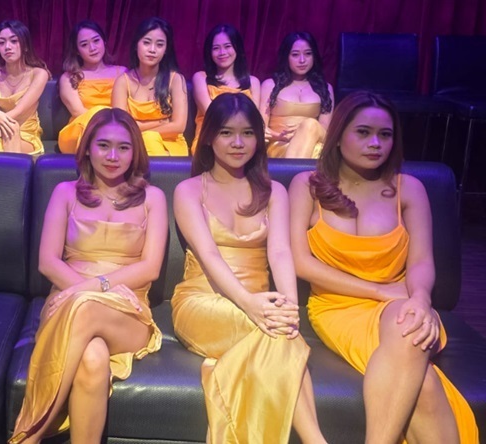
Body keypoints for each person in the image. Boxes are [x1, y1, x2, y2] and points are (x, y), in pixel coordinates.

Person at [289, 91, 478, 443]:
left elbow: (421, 261)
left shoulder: (410, 189)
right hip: (337, 306)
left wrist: (420, 299)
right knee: (423, 383)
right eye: (363, 132)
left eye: (385, 135)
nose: (375, 143)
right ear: (338, 136)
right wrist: (379, 291)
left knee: (408, 324)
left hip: (402, 300)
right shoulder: (307, 186)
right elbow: (302, 264)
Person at [172, 93, 327, 443]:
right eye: (226, 133)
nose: (238, 143)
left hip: (260, 302)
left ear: (259, 138)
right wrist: (250, 304)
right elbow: (209, 255)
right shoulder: (188, 190)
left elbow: (281, 253)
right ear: (209, 137)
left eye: (247, 133)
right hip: (202, 300)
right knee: (278, 337)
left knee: (283, 335)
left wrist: (288, 306)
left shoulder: (274, 192)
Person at [10, 108, 166, 443]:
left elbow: (150, 268)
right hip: (66, 300)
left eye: (123, 147)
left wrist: (95, 290)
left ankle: (28, 436)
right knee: (93, 358)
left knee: (85, 307)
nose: (113, 156)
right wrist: (87, 293)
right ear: (88, 149)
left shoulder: (152, 198)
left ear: (135, 152)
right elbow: (48, 262)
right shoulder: (65, 192)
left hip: (127, 310)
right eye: (103, 145)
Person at [111, 17, 188, 156]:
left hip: (170, 146)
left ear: (166, 49)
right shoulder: (123, 82)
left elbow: (179, 126)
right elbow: (121, 126)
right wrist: (161, 123)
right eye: (146, 43)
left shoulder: (176, 79)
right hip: (134, 144)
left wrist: (139, 127)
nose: (152, 50)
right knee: (146, 140)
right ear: (136, 45)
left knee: (149, 139)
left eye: (159, 45)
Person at [0, 20, 49, 155]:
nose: (7, 47)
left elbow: (19, 110)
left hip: (26, 135)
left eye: (14, 41)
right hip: (0, 132)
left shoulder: (39, 74)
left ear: (25, 46)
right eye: (1, 43)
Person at [260, 32, 333, 158]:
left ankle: (293, 169)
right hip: (280, 144)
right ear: (286, 57)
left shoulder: (325, 88)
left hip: (315, 144)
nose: (302, 60)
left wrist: (303, 130)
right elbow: (261, 128)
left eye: (308, 54)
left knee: (310, 125)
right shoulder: (270, 85)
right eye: (295, 55)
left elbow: (325, 131)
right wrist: (280, 136)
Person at [190, 24, 260, 155]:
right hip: (210, 137)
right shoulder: (201, 78)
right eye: (216, 48)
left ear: (237, 48)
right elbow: (211, 112)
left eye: (227, 46)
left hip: (243, 139)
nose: (222, 53)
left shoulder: (253, 82)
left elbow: (254, 118)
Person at [57, 20, 125, 154]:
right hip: (80, 132)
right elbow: (78, 112)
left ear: (104, 41)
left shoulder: (122, 73)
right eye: (84, 44)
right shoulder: (69, 77)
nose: (92, 48)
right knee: (99, 111)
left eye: (96, 41)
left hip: (117, 132)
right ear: (77, 51)